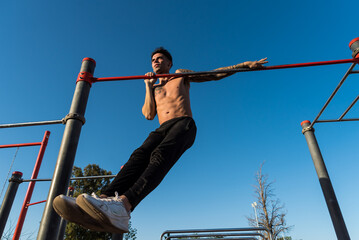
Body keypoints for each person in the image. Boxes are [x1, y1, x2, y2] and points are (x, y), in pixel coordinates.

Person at [53, 47, 268, 233]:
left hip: (183, 124)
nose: (155, 62)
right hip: (161, 128)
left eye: (159, 59)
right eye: (153, 60)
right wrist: (148, 86)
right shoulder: (154, 87)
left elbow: (214, 74)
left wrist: (245, 65)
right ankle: (102, 199)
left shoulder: (180, 75)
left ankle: (125, 206)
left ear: (169, 62)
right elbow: (148, 114)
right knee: (137, 157)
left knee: (160, 155)